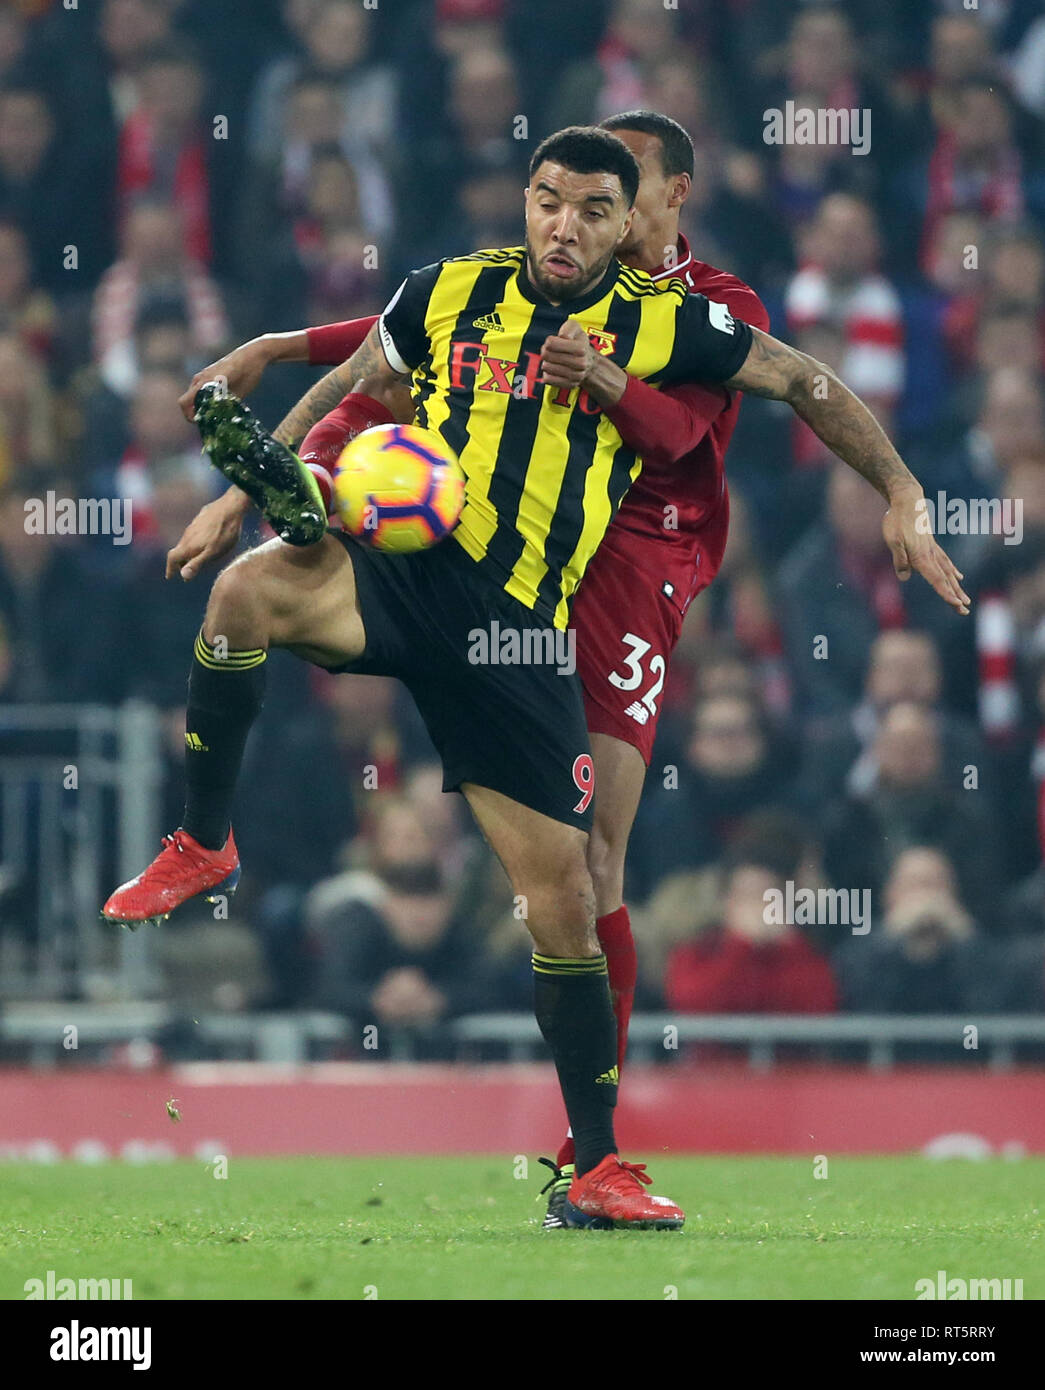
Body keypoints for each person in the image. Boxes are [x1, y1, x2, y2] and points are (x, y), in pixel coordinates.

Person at [102, 124, 967, 1231]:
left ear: (628, 223)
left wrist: (898, 487)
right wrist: (234, 490)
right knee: (243, 596)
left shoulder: (667, 320)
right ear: (526, 200)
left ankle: (596, 1165)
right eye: (547, 200)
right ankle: (204, 837)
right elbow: (364, 373)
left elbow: (803, 379)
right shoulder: (448, 288)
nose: (565, 224)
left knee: (562, 896)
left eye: (593, 209)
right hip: (407, 570)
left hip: (511, 632)